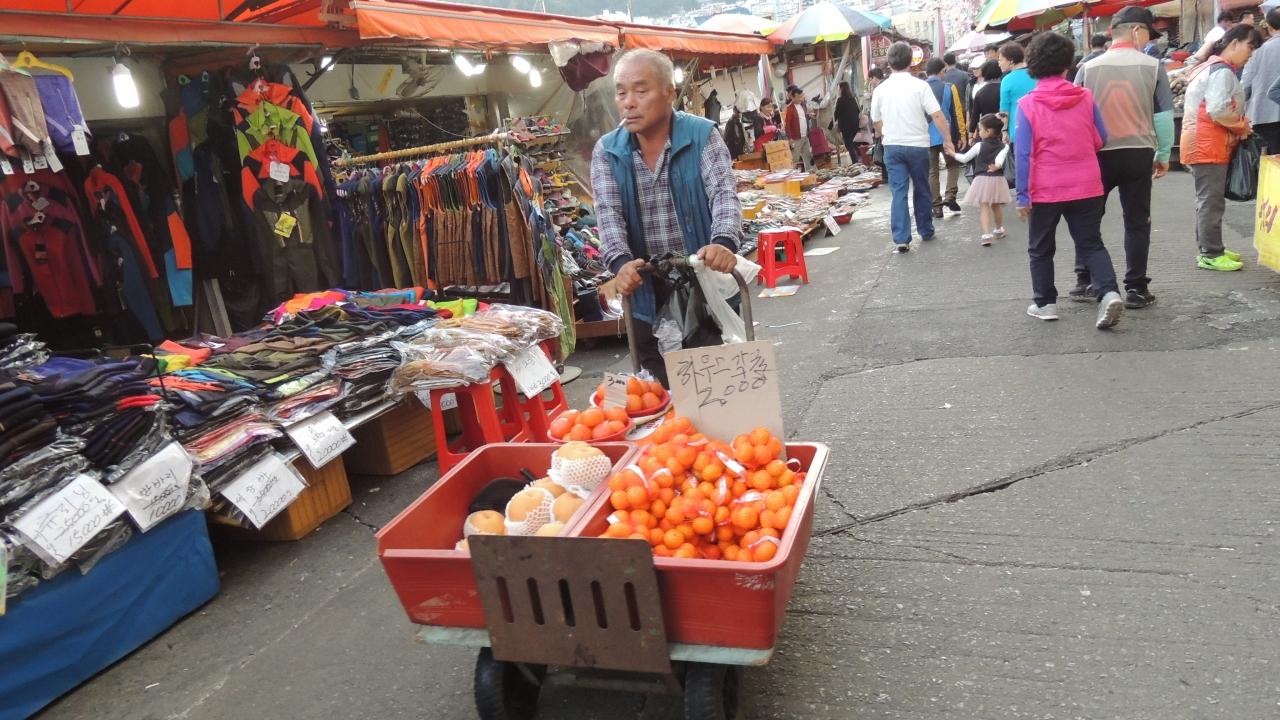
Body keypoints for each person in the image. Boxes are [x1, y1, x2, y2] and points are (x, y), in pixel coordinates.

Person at [591, 50, 741, 383]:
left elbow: (723, 194)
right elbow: (608, 215)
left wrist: (722, 242)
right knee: (658, 395)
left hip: (705, 282)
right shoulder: (607, 151)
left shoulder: (702, 135)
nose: (629, 102)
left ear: (669, 92)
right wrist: (621, 264)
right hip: (645, 292)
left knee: (719, 387)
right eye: (621, 92)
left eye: (641, 91)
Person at [1014, 31, 1125, 329]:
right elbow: (1101, 138)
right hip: (1086, 184)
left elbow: (1023, 154)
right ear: (1067, 64)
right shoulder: (1085, 97)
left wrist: (1022, 195)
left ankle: (1045, 303)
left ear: (1033, 64)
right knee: (1091, 243)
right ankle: (1109, 292)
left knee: (1040, 247)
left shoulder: (1027, 104)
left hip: (1045, 188)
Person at [1072, 5, 1177, 309]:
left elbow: (1075, 113)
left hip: (1097, 154)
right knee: (1137, 221)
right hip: (1138, 153)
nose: (1149, 41)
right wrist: (1163, 154)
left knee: (1089, 218)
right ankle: (1136, 288)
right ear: (1136, 31)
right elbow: (1163, 116)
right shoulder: (1153, 66)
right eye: (1148, 34)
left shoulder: (1088, 68)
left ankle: (1085, 280)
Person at [1181, 24, 1263, 272]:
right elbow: (1218, 109)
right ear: (1234, 43)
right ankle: (1211, 253)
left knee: (1208, 199)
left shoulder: (1210, 66)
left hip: (1203, 143)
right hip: (1208, 144)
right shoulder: (1222, 71)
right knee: (1211, 201)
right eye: (1250, 47)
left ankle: (1211, 247)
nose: (1250, 54)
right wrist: (1241, 125)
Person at [871, 41, 955, 252]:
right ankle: (925, 230)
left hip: (893, 146)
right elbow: (937, 115)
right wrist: (947, 139)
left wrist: (885, 133)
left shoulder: (880, 89)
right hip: (918, 145)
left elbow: (876, 121)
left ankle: (901, 238)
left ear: (889, 63)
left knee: (899, 191)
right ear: (911, 61)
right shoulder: (920, 86)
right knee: (922, 187)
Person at [950, 113, 1011, 246]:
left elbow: (965, 158)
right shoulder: (1004, 146)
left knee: (984, 207)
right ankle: (999, 229)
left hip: (982, 179)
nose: (979, 132)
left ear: (988, 131)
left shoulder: (979, 145)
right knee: (996, 205)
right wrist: (997, 165)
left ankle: (986, 235)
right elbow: (1000, 158)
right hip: (997, 179)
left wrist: (953, 154)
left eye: (980, 129)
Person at [925, 58, 968, 216]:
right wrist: (961, 135)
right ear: (941, 71)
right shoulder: (949, 87)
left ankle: (936, 207)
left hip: (927, 137)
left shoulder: (920, 88)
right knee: (953, 164)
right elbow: (957, 113)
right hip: (947, 134)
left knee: (932, 171)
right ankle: (950, 195)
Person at [1243, 9, 1280, 155]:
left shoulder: (1257, 52)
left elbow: (1245, 86)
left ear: (1269, 27)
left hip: (1263, 116)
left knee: (1271, 163)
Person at [999, 43, 1036, 142]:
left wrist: (1004, 131)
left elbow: (1004, 110)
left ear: (1011, 60)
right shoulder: (1036, 74)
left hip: (1017, 129)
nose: (999, 63)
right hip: (1039, 127)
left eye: (1001, 60)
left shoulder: (1007, 80)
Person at [971, 60, 1004, 140]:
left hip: (987, 130)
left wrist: (971, 134)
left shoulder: (980, 93)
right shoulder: (1004, 89)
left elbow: (975, 116)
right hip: (1004, 127)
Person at [783, 85, 813, 168]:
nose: (801, 98)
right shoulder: (790, 108)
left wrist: (809, 116)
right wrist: (789, 138)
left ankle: (811, 172)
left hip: (805, 136)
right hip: (795, 138)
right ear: (792, 97)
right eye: (799, 97)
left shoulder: (803, 105)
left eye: (802, 96)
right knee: (794, 159)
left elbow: (803, 117)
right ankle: (793, 173)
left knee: (808, 157)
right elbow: (787, 125)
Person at [835, 81, 861, 165]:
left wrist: (830, 126)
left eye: (838, 88)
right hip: (855, 125)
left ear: (841, 89)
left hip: (845, 127)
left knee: (849, 145)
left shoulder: (840, 100)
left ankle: (855, 163)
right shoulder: (853, 98)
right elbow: (858, 111)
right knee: (853, 144)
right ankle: (858, 161)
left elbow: (836, 113)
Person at [943, 52, 972, 119]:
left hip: (948, 111)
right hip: (963, 109)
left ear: (945, 63)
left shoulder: (943, 77)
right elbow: (969, 92)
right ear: (955, 61)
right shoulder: (964, 75)